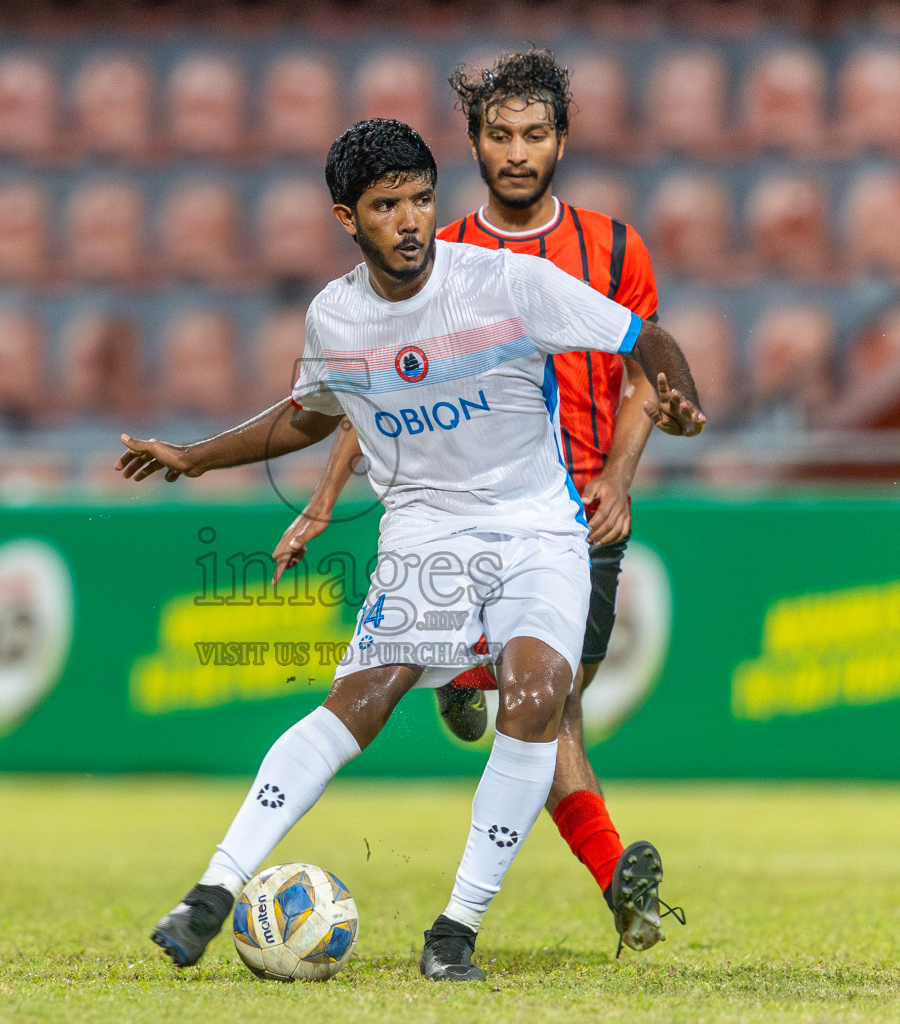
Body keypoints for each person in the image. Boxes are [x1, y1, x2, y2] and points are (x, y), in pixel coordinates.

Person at [119, 118, 704, 982]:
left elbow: (642, 337)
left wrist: (679, 393)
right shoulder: (337, 314)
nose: (410, 222)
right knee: (361, 699)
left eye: (422, 200)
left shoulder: (509, 282)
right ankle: (211, 890)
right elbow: (307, 416)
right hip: (426, 534)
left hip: (536, 524)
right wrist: (197, 455)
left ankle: (455, 931)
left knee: (539, 692)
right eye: (386, 206)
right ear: (346, 219)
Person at [270, 50, 675, 955]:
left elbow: (644, 371)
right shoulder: (431, 251)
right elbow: (365, 397)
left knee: (551, 703)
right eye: (501, 136)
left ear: (562, 141)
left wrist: (620, 472)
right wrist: (323, 501)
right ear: (477, 146)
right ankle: (612, 876)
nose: (518, 153)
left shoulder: (616, 249)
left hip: (571, 512)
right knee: (547, 705)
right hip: (458, 510)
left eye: (535, 135)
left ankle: (474, 690)